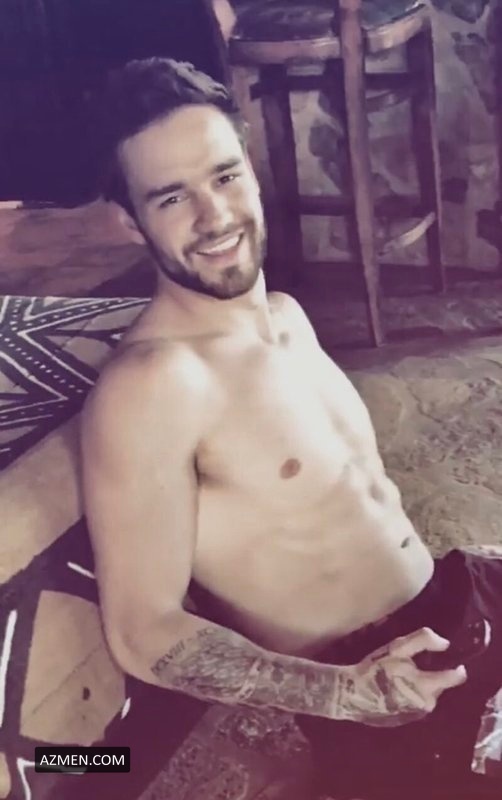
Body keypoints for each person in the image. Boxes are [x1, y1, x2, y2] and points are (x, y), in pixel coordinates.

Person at [80, 57, 502, 799]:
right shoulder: (153, 385)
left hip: (460, 592)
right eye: (172, 197)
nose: (215, 216)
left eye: (225, 176)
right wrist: (345, 694)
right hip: (389, 689)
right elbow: (142, 630)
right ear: (128, 221)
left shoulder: (286, 317)